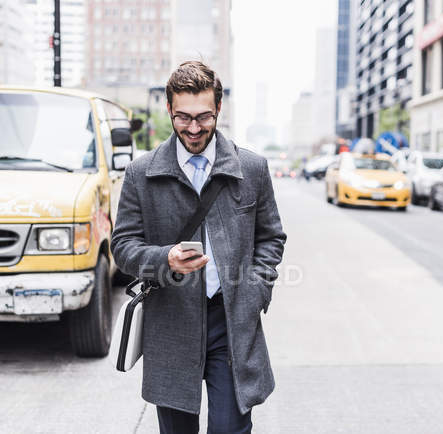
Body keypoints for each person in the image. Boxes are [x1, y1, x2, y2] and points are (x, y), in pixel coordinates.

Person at [111, 61, 286, 433]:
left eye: (204, 117)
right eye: (183, 117)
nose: (194, 128)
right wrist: (164, 258)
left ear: (219, 109)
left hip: (232, 322)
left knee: (230, 429)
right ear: (169, 111)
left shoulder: (251, 168)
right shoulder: (141, 174)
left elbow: (271, 237)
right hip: (171, 322)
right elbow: (123, 246)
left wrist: (256, 289)